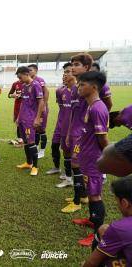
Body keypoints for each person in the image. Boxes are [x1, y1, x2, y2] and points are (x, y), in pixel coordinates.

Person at [62, 53, 112, 214]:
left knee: (77, 165)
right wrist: (69, 132)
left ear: (86, 67)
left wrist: (99, 121)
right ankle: (82, 195)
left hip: (87, 132)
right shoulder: (75, 86)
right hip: (76, 130)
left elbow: (107, 104)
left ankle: (78, 200)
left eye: (76, 64)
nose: (72, 67)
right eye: (72, 64)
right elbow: (73, 112)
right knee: (76, 165)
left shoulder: (96, 85)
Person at [74, 71, 109, 248]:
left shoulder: (97, 108)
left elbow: (103, 139)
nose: (78, 87)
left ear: (94, 87)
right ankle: (91, 220)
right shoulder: (89, 105)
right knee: (91, 192)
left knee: (95, 196)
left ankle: (97, 234)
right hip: (87, 157)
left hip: (95, 161)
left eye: (82, 84)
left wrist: (108, 157)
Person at [83, 176, 132, 267]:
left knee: (102, 230)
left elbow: (92, 262)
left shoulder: (120, 228)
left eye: (116, 201)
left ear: (124, 203)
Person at [15, 66, 44, 176]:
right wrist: (18, 117)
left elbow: (41, 102)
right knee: (26, 142)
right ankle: (28, 163)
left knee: (31, 142)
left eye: (20, 77)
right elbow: (23, 102)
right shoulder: (24, 86)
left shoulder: (36, 85)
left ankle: (35, 167)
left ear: (26, 74)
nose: (19, 80)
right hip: (22, 118)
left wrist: (37, 118)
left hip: (30, 119)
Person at [46, 67, 67, 176]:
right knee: (54, 145)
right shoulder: (59, 90)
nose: (64, 76)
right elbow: (61, 107)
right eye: (63, 74)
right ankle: (56, 167)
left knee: (68, 149)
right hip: (60, 123)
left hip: (71, 125)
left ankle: (68, 172)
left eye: (67, 73)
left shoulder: (77, 91)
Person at [28, 64, 49, 158]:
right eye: (28, 70)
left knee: (41, 129)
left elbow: (46, 92)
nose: (29, 72)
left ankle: (42, 151)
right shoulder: (29, 82)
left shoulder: (39, 80)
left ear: (36, 71)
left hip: (41, 109)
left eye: (31, 70)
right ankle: (36, 146)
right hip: (34, 110)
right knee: (35, 128)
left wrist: (44, 105)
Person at [8, 78, 24, 146]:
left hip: (27, 107)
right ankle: (20, 139)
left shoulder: (29, 83)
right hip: (17, 106)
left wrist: (21, 96)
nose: (20, 78)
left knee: (27, 124)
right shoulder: (15, 84)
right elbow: (9, 95)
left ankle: (28, 139)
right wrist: (13, 95)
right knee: (18, 123)